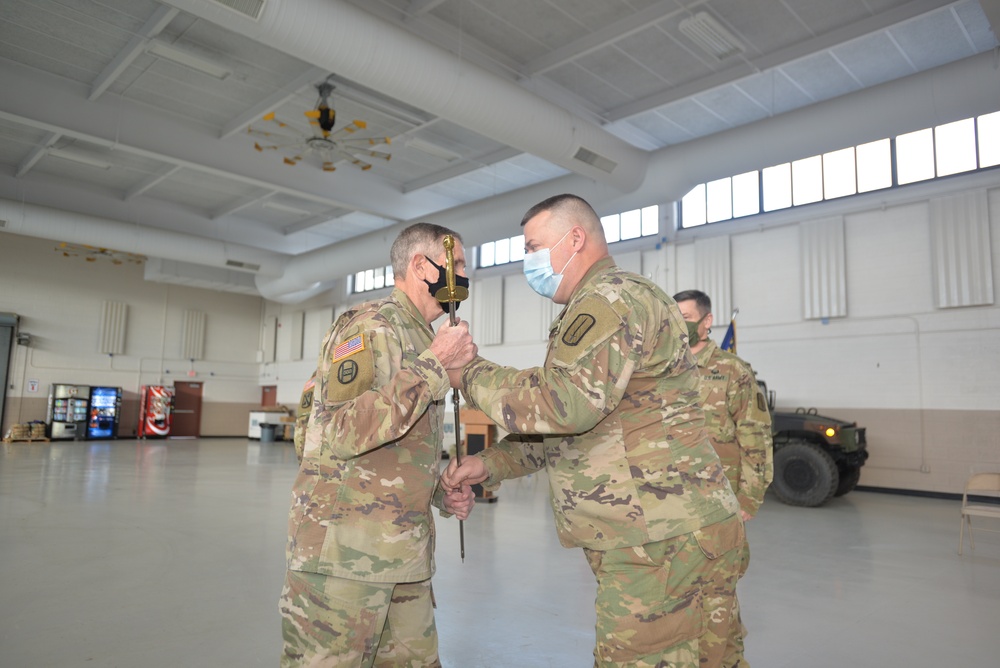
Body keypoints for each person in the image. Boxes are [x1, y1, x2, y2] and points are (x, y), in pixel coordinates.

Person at [441, 194, 744, 668]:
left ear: (575, 238)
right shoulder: (605, 302)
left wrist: (469, 373)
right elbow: (578, 428)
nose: (528, 261)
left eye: (534, 246)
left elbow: (564, 407)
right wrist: (489, 464)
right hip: (666, 529)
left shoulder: (609, 300)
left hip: (659, 539)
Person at [280, 222, 478, 668]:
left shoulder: (423, 337)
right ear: (420, 266)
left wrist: (440, 494)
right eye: (458, 263)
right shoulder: (371, 327)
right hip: (344, 559)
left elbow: (398, 449)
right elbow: (344, 431)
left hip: (403, 557)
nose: (465, 274)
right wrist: (434, 366)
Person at [673, 289, 774, 668]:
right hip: (674, 511)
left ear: (706, 320)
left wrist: (748, 501)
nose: (680, 325)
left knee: (718, 602)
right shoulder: (665, 371)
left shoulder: (733, 371)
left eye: (686, 316)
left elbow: (757, 441)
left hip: (721, 511)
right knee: (681, 605)